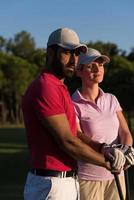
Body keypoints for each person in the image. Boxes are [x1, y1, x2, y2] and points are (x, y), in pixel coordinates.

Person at [22, 28, 119, 200]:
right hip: (51, 184)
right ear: (50, 52)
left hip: (63, 182)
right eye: (67, 52)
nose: (74, 60)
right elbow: (67, 141)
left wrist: (102, 148)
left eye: (76, 54)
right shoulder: (46, 87)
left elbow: (73, 132)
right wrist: (108, 163)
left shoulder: (59, 87)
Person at [72, 48, 134, 200]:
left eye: (100, 64)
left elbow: (125, 132)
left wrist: (126, 150)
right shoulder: (72, 103)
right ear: (79, 71)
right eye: (91, 65)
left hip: (116, 175)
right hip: (88, 178)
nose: (97, 68)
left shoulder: (111, 99)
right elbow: (77, 137)